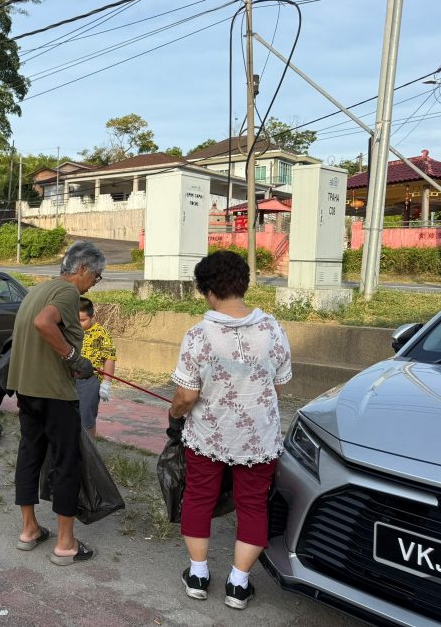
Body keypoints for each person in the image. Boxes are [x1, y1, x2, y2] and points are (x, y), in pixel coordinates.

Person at [170, 250, 292, 610]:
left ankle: (197, 574)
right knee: (253, 505)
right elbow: (279, 385)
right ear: (243, 284)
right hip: (259, 438)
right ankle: (239, 584)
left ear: (208, 290)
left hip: (209, 434)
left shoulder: (198, 335)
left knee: (198, 497)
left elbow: (185, 395)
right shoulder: (272, 328)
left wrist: (176, 413)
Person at [8, 240, 105, 566]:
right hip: (54, 393)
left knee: (30, 454)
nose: (95, 282)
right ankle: (65, 544)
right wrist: (74, 358)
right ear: (82, 269)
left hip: (27, 390)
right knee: (67, 461)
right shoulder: (67, 293)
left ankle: (29, 530)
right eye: (97, 276)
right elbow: (43, 324)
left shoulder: (37, 290)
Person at [76, 297, 117, 438]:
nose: (78, 323)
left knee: (86, 416)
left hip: (90, 381)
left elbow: (110, 358)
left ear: (92, 316)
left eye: (82, 320)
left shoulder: (101, 333)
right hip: (69, 378)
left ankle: (89, 451)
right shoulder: (70, 331)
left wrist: (106, 382)